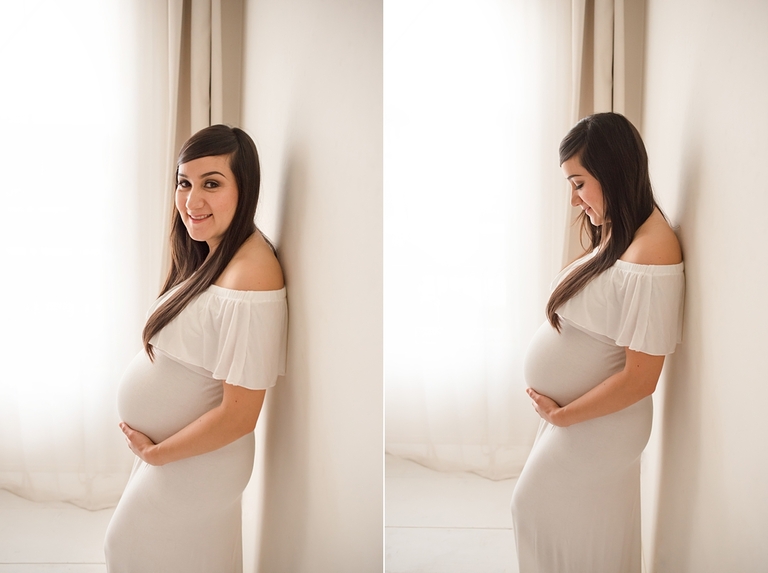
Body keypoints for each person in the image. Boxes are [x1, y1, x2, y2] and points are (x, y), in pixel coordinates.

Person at [104, 125, 287, 572]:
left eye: (212, 183)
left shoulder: (252, 275)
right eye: (184, 183)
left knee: (125, 550)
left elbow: (241, 415)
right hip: (181, 456)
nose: (191, 200)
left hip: (198, 463)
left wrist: (156, 454)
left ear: (246, 188)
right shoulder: (216, 255)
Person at [510, 113, 684, 572]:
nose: (574, 199)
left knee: (531, 507)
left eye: (580, 183)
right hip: (582, 420)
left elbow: (642, 379)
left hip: (601, 425)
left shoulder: (653, 250)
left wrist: (563, 415)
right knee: (590, 532)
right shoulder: (622, 235)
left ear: (614, 171)